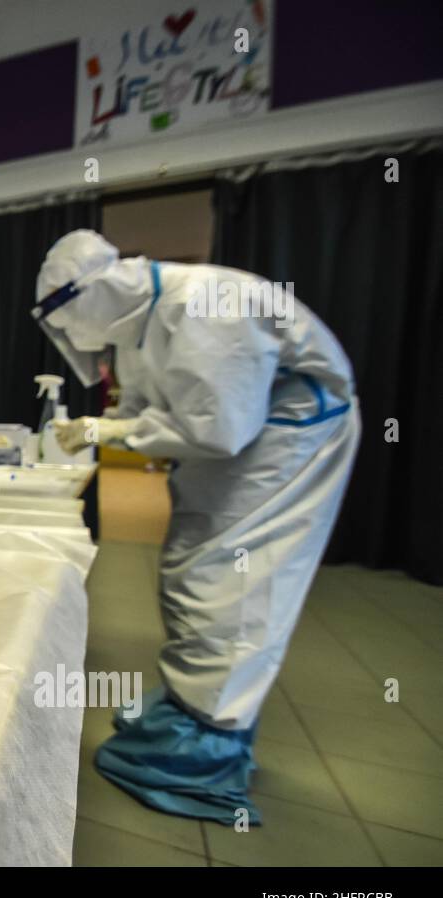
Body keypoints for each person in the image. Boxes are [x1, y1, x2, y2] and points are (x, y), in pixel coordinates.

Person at [31, 229, 360, 824]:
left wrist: (110, 433)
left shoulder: (203, 303)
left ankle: (208, 746)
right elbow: (148, 408)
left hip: (287, 435)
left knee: (231, 576)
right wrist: (112, 424)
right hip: (240, 444)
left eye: (62, 312)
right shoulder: (138, 324)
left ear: (93, 290)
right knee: (189, 560)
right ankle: (189, 705)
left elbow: (220, 427)